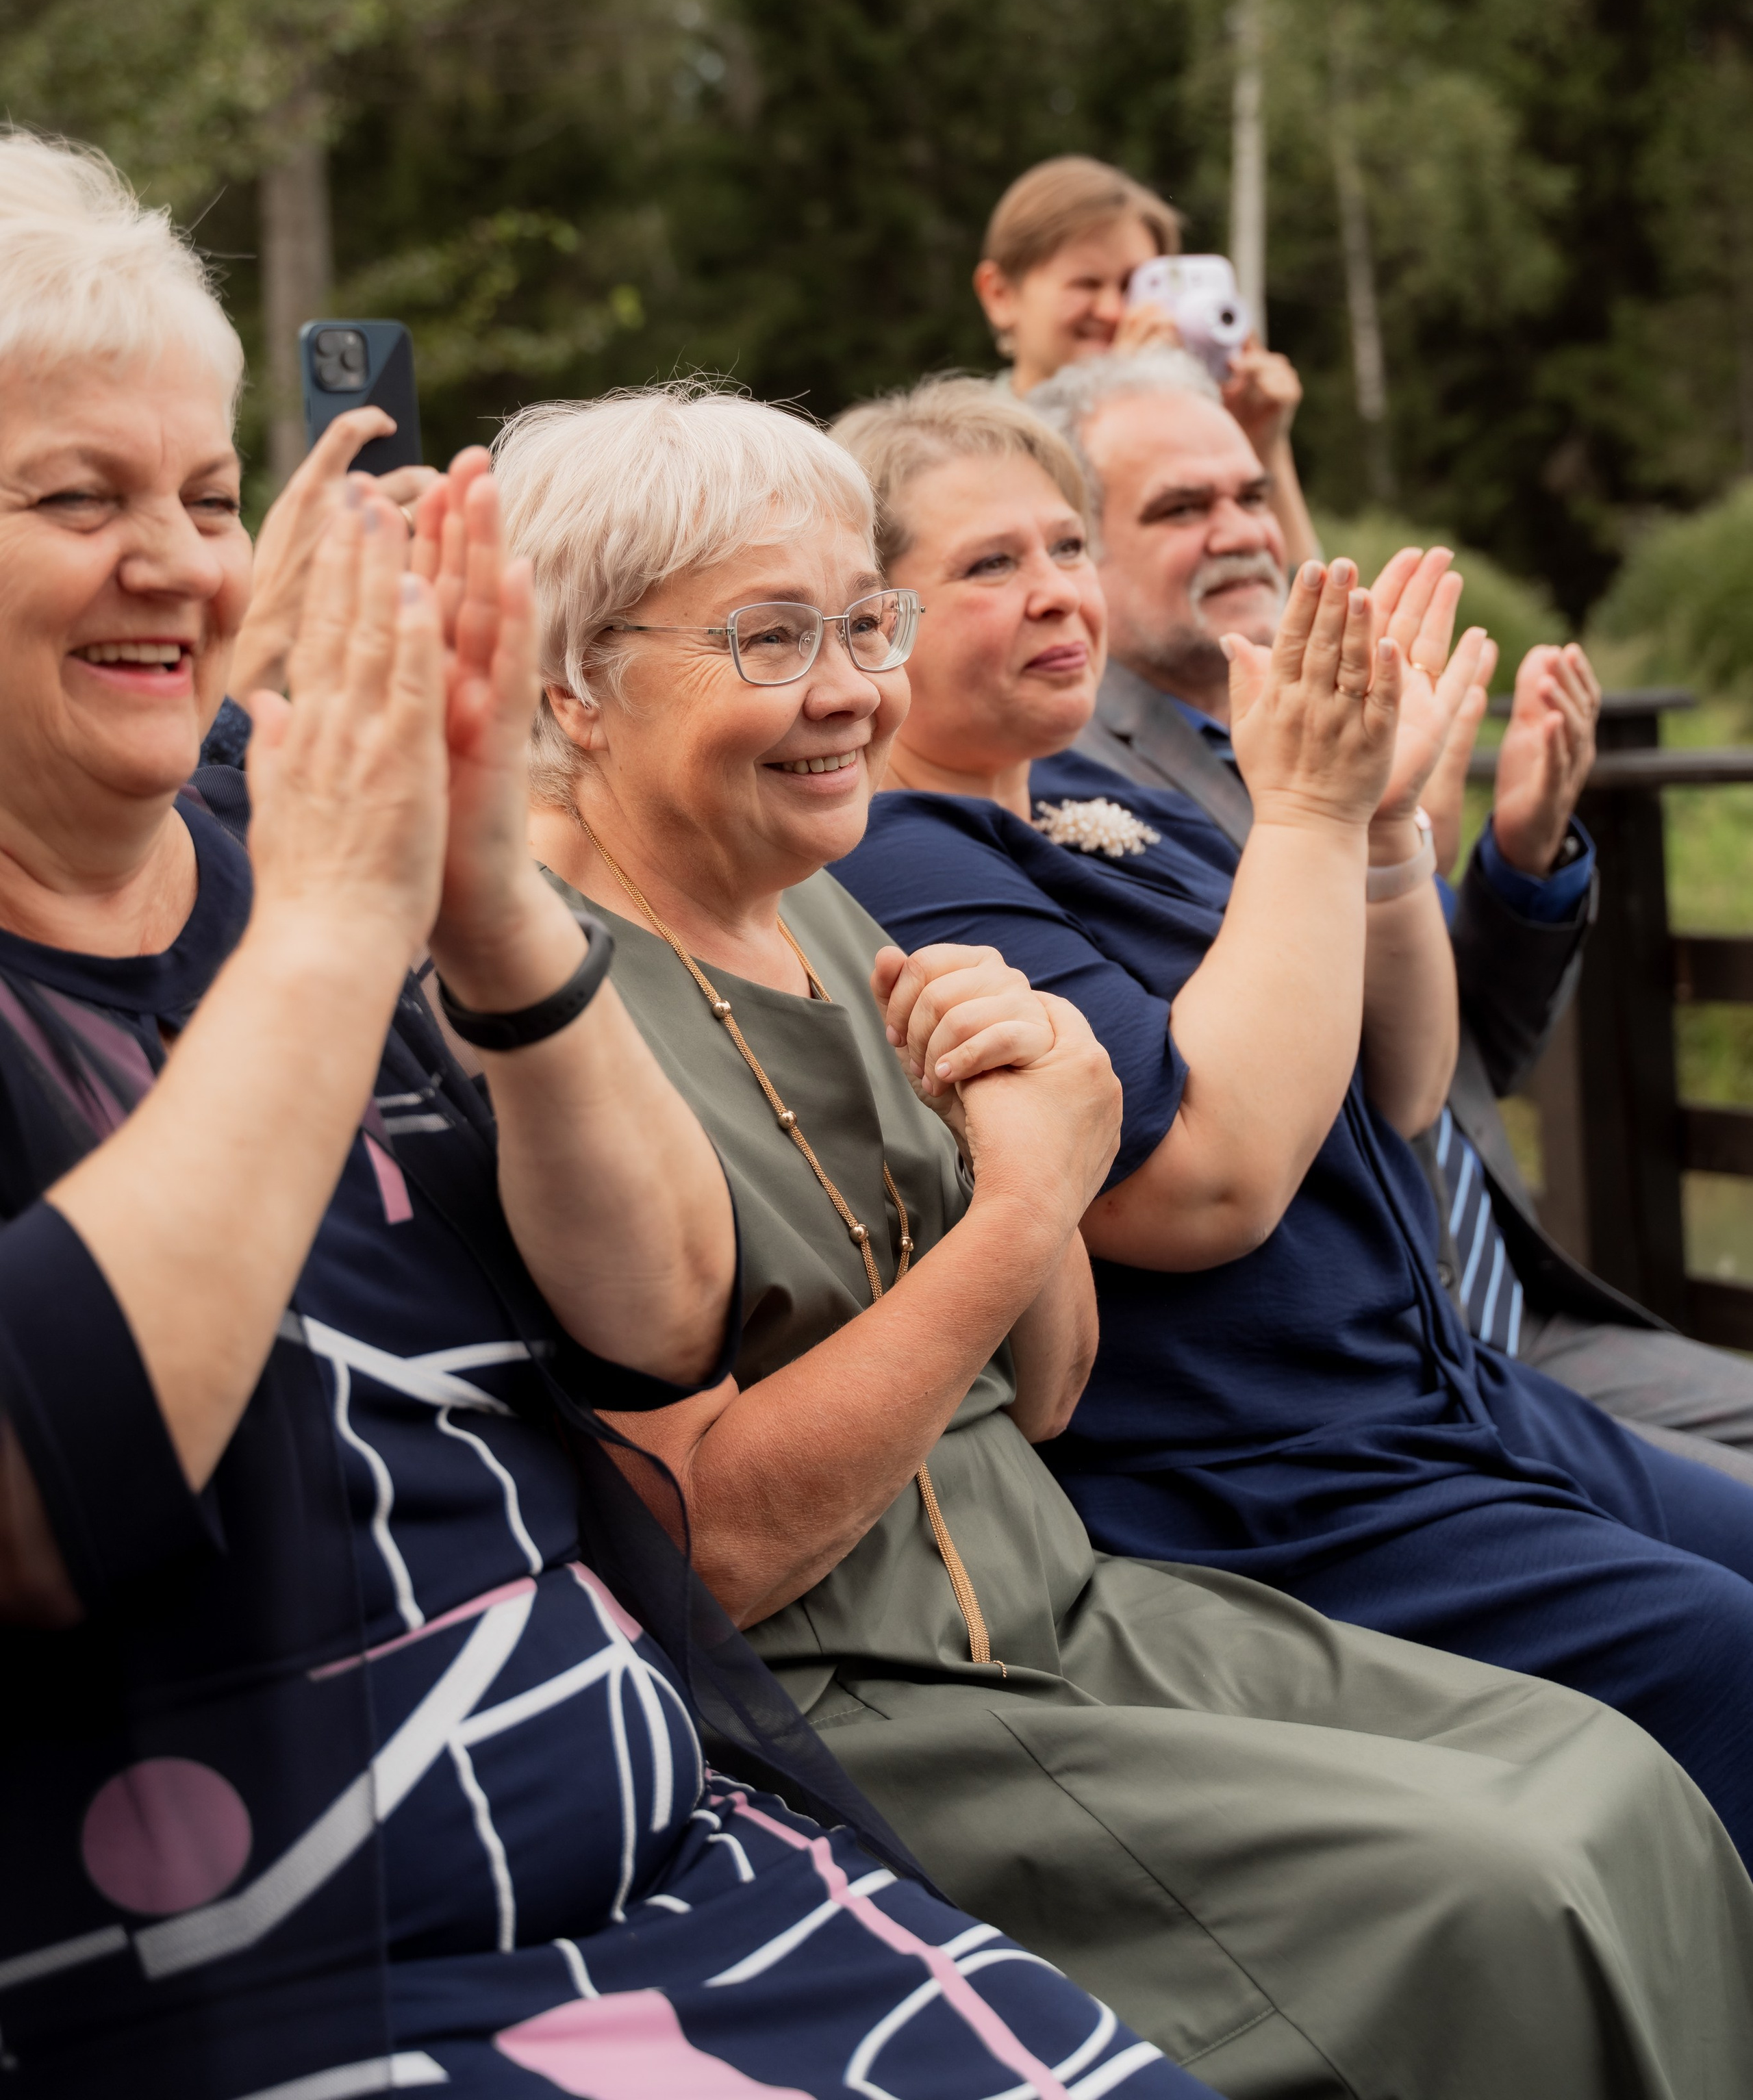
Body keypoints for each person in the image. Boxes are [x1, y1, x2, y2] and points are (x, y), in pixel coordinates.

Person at [0, 134, 1216, 2100]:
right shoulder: (297, 903)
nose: (183, 562)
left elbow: (653, 1311)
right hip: (301, 1971)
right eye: (80, 497)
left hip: (697, 1852)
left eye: (209, 496)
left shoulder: (316, 882)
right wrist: (337, 926)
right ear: (597, 688)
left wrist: (482, 896)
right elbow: (52, 1495)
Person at [498, 376, 1753, 2100]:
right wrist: (1026, 1194)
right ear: (570, 676)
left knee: (1615, 1781)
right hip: (862, 1693)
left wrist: (1043, 1118)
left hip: (1077, 1595)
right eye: (776, 635)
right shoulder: (547, 997)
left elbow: (1055, 1381)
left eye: (862, 620)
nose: (851, 688)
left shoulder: (822, 897)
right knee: (1506, 1880)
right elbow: (711, 1550)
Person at [828, 373, 1753, 1873]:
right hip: (1269, 1481)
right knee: (1726, 1659)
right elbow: (1200, 1192)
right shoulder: (905, 854)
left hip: (1443, 1402)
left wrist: (1381, 833)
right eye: (988, 567)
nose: (1057, 594)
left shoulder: (1081, 800)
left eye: (1067, 548)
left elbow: (1398, 1084)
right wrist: (1310, 818)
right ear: (873, 625)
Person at [1035, 345, 1753, 1484]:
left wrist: (1521, 857)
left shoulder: (1327, 721)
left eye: (1253, 494)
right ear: (1072, 553)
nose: (1239, 529)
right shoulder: (1058, 782)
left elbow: (1474, 1061)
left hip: (1523, 1311)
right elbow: (1308, 1091)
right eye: (1182, 506)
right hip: (1375, 1363)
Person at [974, 155, 1318, 566]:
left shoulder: (1190, 435)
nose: (1113, 311)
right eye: (1087, 284)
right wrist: (1111, 403)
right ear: (999, 295)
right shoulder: (970, 442)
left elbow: (1284, 600)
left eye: (1132, 285)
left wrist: (1264, 447)